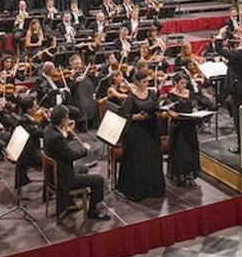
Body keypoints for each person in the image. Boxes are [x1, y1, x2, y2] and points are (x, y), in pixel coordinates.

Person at [43, 105, 111, 219]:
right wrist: (85, 150)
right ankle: (93, 212)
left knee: (84, 168)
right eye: (67, 117)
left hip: (56, 172)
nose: (68, 119)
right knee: (99, 180)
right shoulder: (57, 138)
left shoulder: (49, 129)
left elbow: (61, 148)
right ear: (62, 120)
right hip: (64, 177)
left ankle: (71, 199)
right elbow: (71, 155)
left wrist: (67, 132)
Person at [116, 71, 166, 200]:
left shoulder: (152, 93)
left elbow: (156, 107)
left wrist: (160, 112)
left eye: (147, 81)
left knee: (152, 158)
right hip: (137, 131)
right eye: (144, 82)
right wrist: (135, 117)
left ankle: (152, 188)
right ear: (137, 82)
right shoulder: (131, 97)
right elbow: (124, 115)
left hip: (151, 129)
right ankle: (139, 190)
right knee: (139, 159)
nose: (147, 84)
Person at [163, 72, 210, 185]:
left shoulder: (189, 92)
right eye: (181, 83)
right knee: (180, 150)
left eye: (185, 83)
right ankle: (180, 175)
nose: (183, 85)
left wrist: (195, 112)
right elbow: (168, 109)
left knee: (191, 149)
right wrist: (172, 114)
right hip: (178, 126)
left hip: (189, 124)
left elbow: (193, 106)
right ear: (175, 83)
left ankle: (190, 174)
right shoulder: (171, 95)